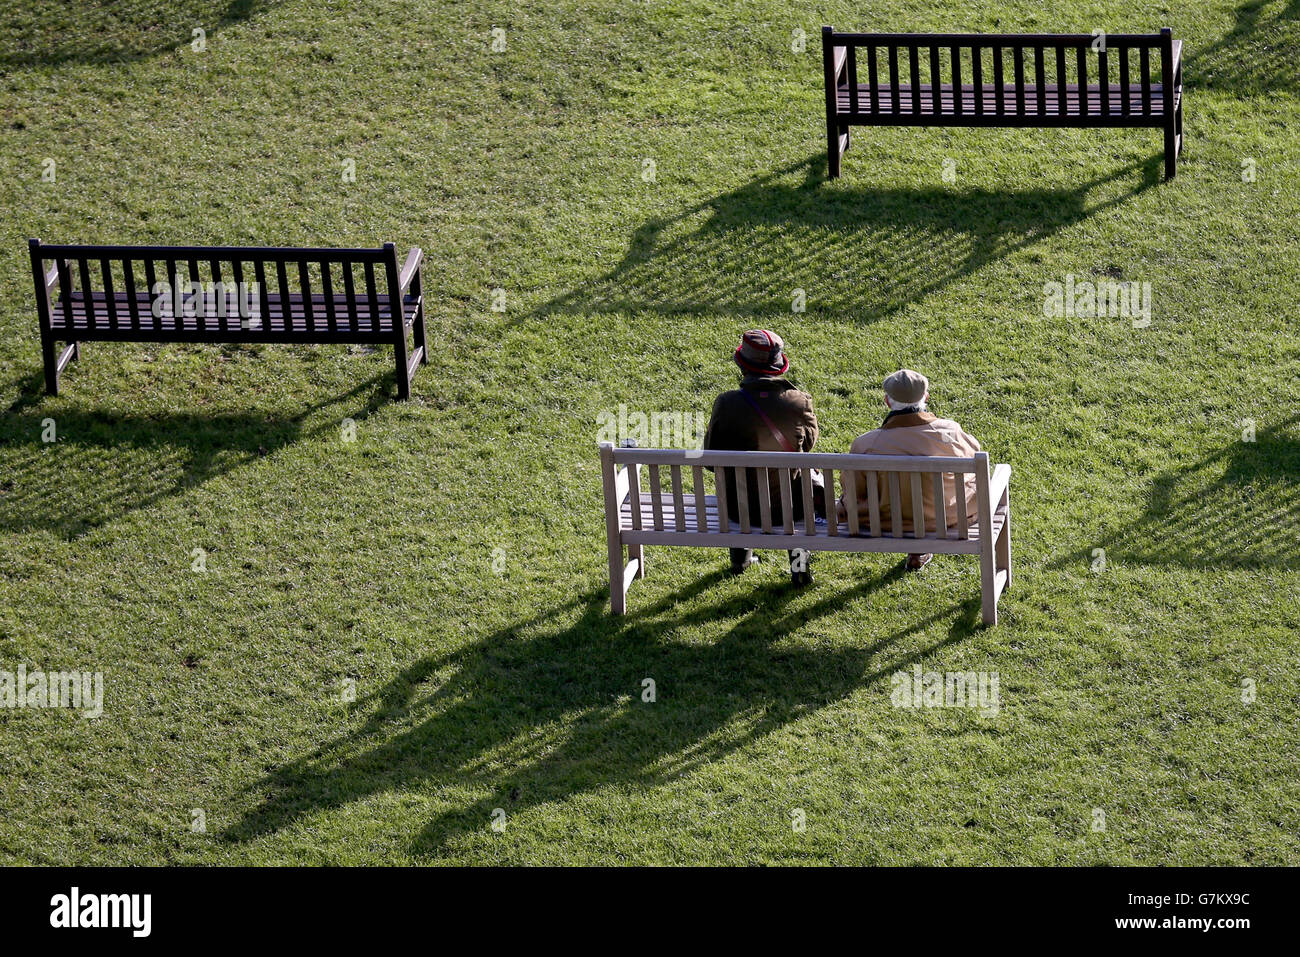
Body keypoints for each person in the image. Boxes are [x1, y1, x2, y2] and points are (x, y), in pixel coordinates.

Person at [704, 329, 819, 586]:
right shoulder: (799, 402)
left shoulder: (726, 403)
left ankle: (740, 560)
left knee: (740, 487)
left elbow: (712, 460)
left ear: (742, 366)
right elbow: (808, 444)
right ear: (779, 367)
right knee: (796, 495)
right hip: (789, 510)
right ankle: (799, 571)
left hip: (737, 510)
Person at [837, 369, 982, 572]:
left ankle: (919, 550)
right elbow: (974, 460)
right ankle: (919, 550)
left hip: (883, 522)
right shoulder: (950, 432)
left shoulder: (866, 444)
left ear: (887, 401)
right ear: (926, 397)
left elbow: (854, 490)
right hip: (944, 519)